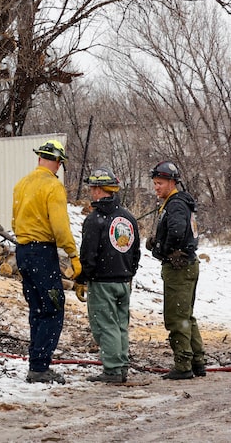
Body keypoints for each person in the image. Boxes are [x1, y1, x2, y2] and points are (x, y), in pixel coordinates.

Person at [11, 139, 79, 384]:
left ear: (39, 158)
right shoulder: (53, 186)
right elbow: (60, 227)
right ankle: (40, 366)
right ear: (59, 163)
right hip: (42, 253)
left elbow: (14, 220)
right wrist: (73, 254)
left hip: (22, 252)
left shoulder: (22, 184)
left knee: (37, 307)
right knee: (53, 306)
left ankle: (36, 361)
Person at [77, 167, 141, 383]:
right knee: (120, 325)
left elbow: (88, 254)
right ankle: (121, 365)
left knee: (105, 325)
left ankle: (112, 370)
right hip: (124, 281)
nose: (91, 192)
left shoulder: (94, 220)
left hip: (102, 282)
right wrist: (129, 273)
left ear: (98, 189)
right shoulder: (128, 218)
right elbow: (136, 251)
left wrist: (82, 277)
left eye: (92, 188)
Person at [148, 160, 204, 380]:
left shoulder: (176, 204)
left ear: (172, 182)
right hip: (189, 265)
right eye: (154, 183)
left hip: (179, 267)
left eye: (159, 183)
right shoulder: (180, 202)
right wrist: (157, 241)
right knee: (187, 315)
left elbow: (178, 231)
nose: (156, 187)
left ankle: (183, 365)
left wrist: (163, 248)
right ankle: (197, 361)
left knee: (176, 317)